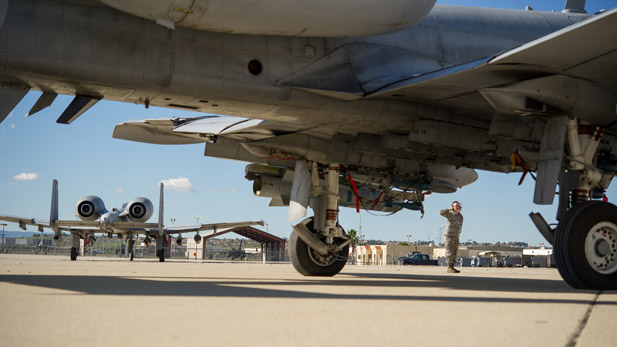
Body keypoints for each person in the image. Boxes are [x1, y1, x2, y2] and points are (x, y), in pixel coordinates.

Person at [440, 201, 463, 273]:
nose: (457, 207)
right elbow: (441, 212)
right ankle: (449, 267)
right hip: (449, 235)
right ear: (453, 207)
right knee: (449, 251)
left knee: (455, 252)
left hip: (456, 235)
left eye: (458, 206)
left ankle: (452, 267)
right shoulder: (450, 214)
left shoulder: (460, 216)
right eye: (455, 206)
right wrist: (450, 209)